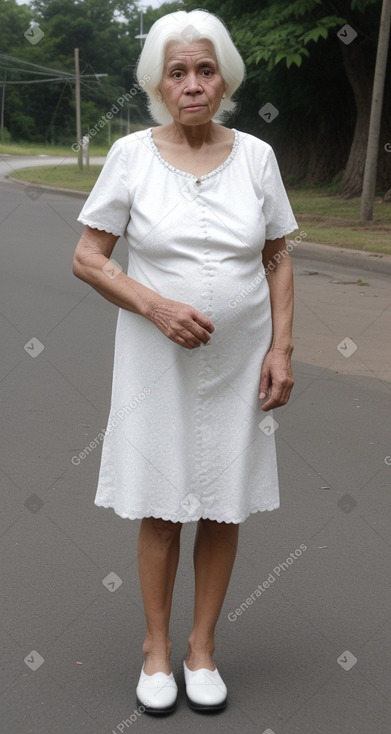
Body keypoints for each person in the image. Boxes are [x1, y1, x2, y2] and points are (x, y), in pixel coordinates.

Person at [72, 8, 297, 716]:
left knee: (224, 505)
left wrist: (281, 348)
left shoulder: (256, 157)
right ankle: (156, 650)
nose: (193, 84)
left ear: (223, 77)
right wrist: (155, 306)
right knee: (162, 505)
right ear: (158, 84)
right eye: (178, 72)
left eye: (204, 70)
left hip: (239, 363)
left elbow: (278, 255)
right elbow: (88, 257)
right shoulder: (131, 156)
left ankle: (201, 648)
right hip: (155, 362)